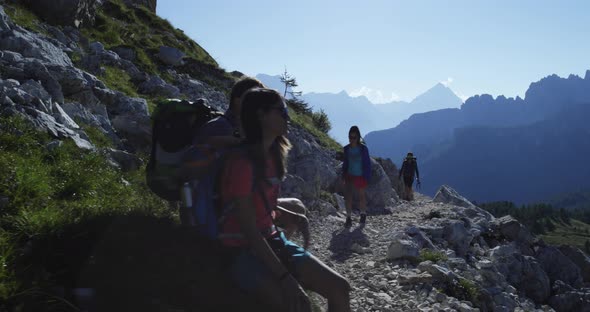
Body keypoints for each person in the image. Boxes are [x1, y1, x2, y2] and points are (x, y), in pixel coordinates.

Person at [219, 88, 351, 312]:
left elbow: (262, 209)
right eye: (281, 110)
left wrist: (291, 216)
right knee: (300, 306)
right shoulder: (242, 163)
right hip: (240, 250)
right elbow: (249, 230)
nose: (287, 116)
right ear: (261, 115)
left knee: (340, 288)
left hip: (271, 240)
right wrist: (285, 278)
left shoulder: (272, 156)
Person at [196, 76, 309, 243]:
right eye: (252, 95)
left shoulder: (247, 134)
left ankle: (278, 247)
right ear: (237, 100)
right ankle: (274, 253)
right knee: (292, 210)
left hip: (243, 195)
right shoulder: (222, 128)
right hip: (223, 203)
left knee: (296, 206)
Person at [342, 126, 371, 227]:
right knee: (348, 197)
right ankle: (348, 218)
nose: (352, 139)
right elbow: (345, 163)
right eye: (350, 137)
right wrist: (343, 176)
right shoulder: (346, 149)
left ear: (358, 137)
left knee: (361, 196)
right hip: (349, 175)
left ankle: (363, 214)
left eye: (354, 137)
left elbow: (367, 164)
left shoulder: (363, 149)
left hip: (360, 176)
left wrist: (366, 177)